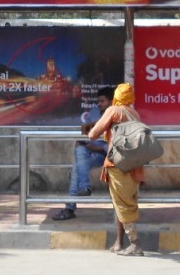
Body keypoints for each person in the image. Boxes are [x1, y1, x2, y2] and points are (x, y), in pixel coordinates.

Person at [88, 83, 146, 256]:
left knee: (122, 203)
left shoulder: (113, 111)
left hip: (118, 164)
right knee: (127, 201)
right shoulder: (134, 113)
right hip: (135, 164)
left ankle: (135, 244)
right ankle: (120, 243)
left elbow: (93, 134)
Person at [53, 87, 114, 221]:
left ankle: (71, 207)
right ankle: (84, 188)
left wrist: (98, 148)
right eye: (98, 101)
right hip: (91, 150)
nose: (99, 104)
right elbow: (84, 132)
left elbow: (114, 145)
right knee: (79, 150)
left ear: (111, 101)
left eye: (102, 101)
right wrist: (82, 142)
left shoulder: (117, 115)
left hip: (107, 155)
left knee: (77, 168)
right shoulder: (93, 113)